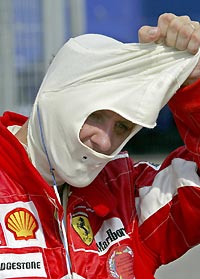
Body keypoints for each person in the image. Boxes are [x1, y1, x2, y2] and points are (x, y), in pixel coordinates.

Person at [0, 12, 200, 279]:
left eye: (122, 127)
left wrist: (193, 85)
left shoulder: (126, 193)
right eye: (95, 114)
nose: (105, 142)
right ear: (57, 93)